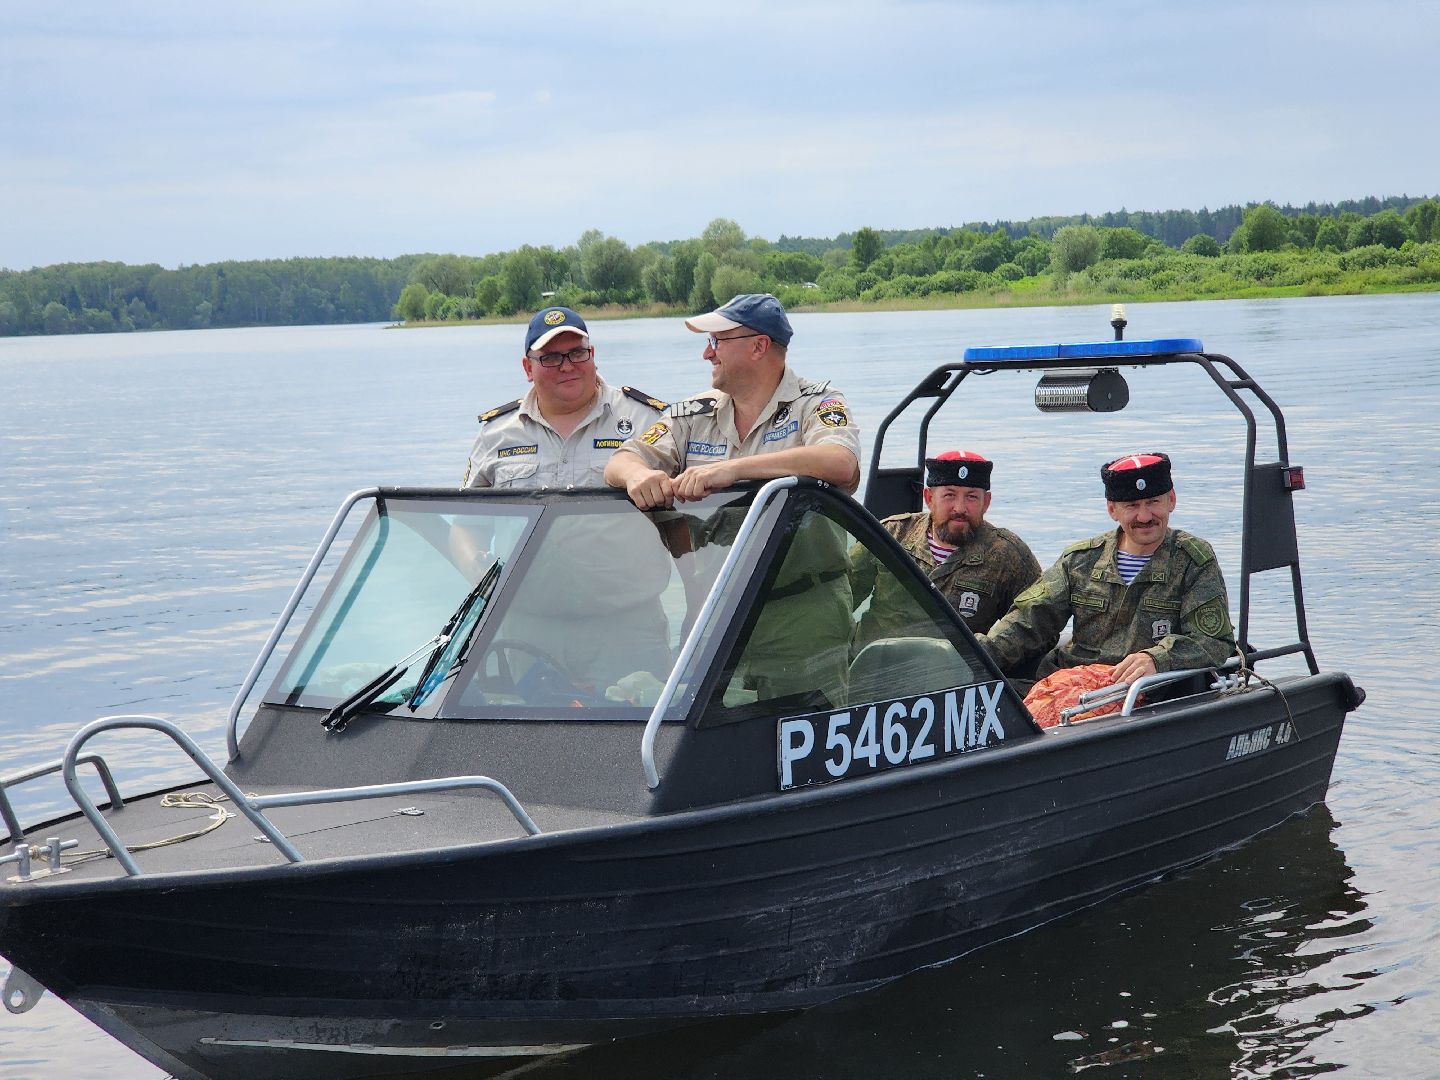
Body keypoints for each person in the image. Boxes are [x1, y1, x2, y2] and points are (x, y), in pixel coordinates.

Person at [978, 452, 1235, 687]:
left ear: (1172, 500)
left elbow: (1213, 640)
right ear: (1113, 510)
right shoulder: (1080, 561)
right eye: (1132, 506)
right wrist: (971, 658)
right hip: (1069, 684)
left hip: (1142, 693)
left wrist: (1157, 658)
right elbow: (1029, 622)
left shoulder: (1192, 560)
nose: (1145, 516)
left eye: (1153, 502)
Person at [603, 293, 861, 508]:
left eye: (716, 341)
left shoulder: (816, 402)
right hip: (722, 570)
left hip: (806, 570)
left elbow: (840, 462)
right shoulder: (693, 414)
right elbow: (620, 460)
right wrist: (637, 474)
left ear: (759, 347)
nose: (706, 354)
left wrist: (732, 470)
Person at [850, 450, 1041, 648]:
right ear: (929, 498)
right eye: (949, 495)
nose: (960, 508)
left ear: (987, 502)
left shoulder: (1007, 553)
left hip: (953, 674)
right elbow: (841, 593)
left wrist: (988, 650)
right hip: (870, 665)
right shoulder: (891, 534)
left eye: (972, 497)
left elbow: (1037, 624)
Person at [463, 305, 666, 489]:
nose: (567, 367)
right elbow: (468, 523)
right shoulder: (496, 434)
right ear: (528, 368)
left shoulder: (645, 420)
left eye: (577, 353)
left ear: (592, 355)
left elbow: (679, 511)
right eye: (550, 358)